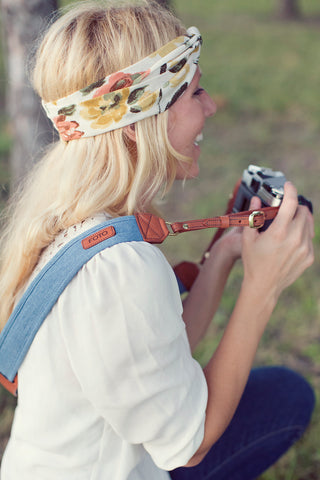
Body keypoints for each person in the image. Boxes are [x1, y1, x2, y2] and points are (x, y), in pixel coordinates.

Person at [0, 1, 315, 479]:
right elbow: (191, 443)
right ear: (143, 119)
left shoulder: (71, 223)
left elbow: (153, 355)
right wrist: (262, 288)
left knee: (281, 395)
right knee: (287, 398)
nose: (211, 106)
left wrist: (225, 253)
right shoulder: (120, 270)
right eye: (196, 93)